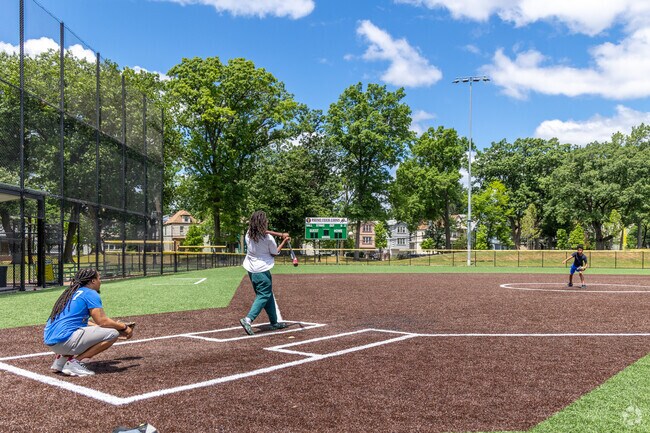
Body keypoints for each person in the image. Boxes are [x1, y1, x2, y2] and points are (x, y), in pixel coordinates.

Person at [43, 268, 133, 377]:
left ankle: (60, 361)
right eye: (99, 278)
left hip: (51, 342)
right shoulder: (90, 293)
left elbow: (81, 322)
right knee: (113, 334)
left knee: (79, 329)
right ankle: (75, 363)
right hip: (65, 341)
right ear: (93, 281)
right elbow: (102, 321)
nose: (100, 281)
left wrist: (100, 329)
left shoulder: (70, 293)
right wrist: (123, 327)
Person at [239, 210, 290, 335]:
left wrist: (280, 234)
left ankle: (274, 322)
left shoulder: (248, 234)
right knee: (263, 295)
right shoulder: (268, 239)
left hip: (251, 270)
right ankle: (248, 319)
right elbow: (274, 253)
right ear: (263, 223)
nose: (267, 221)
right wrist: (284, 240)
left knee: (267, 295)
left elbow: (261, 231)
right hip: (262, 270)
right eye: (265, 220)